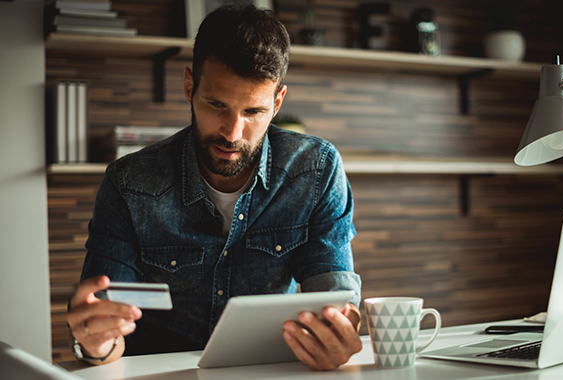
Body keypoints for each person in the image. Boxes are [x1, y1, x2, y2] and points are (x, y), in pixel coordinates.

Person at [65, 4, 362, 371]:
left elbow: (334, 300)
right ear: (190, 87)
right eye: (216, 104)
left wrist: (337, 335)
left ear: (277, 102)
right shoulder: (129, 184)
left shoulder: (316, 171)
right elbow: (103, 331)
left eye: (253, 112)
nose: (232, 133)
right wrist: (95, 344)